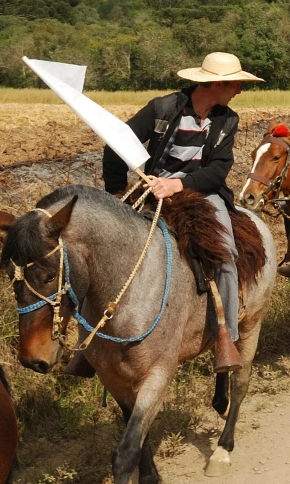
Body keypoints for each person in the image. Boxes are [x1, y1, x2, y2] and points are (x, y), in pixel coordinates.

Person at [102, 51, 262, 371]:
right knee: (107, 249)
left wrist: (178, 184)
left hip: (203, 193)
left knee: (226, 254)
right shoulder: (162, 108)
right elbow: (115, 146)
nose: (240, 90)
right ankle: (93, 341)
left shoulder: (227, 120)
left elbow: (218, 170)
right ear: (216, 85)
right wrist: (117, 194)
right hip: (152, 189)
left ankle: (226, 336)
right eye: (235, 84)